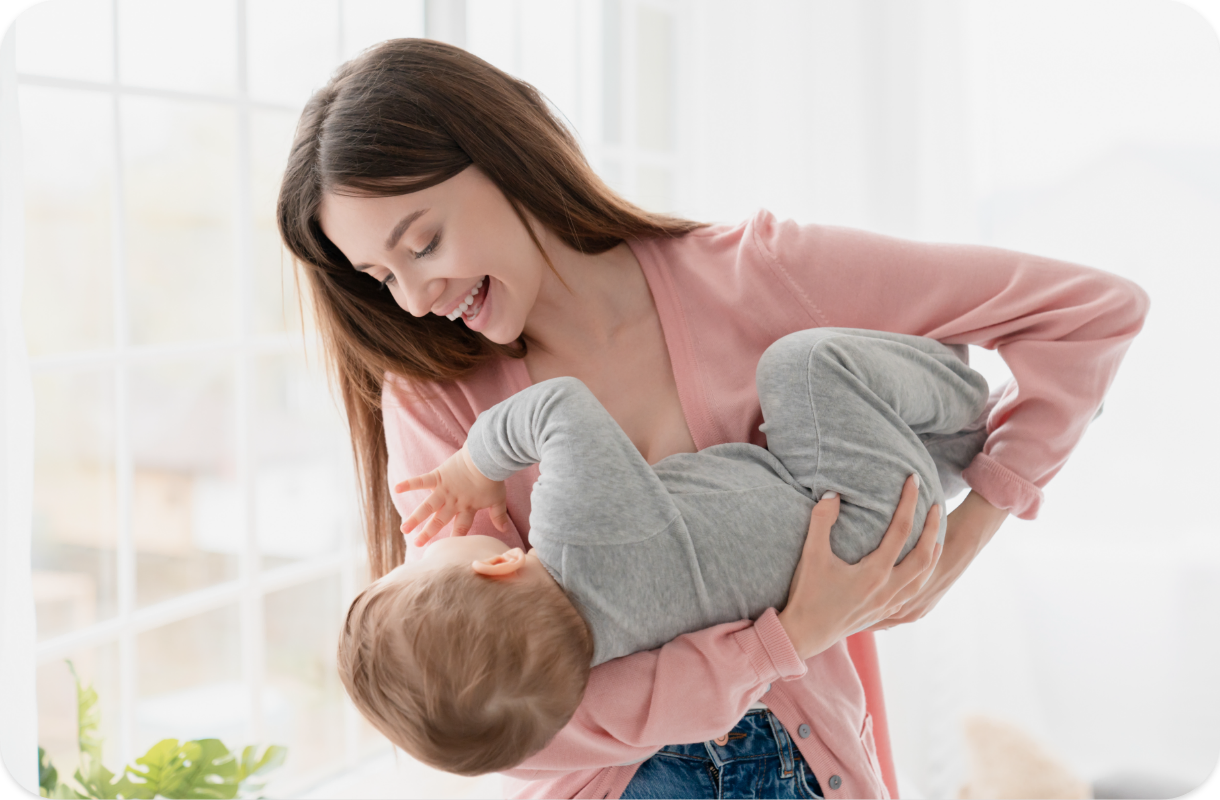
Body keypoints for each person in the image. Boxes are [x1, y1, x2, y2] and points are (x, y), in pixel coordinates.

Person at [277, 38, 1149, 800]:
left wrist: (966, 537)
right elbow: (505, 721)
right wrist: (784, 639)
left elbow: (1087, 313)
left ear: (504, 156)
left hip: (811, 761)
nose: (418, 298)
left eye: (422, 242)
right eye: (381, 277)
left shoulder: (759, 276)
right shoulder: (436, 399)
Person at [338, 327, 994, 777]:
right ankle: (978, 409)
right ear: (498, 563)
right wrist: (473, 463)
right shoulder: (579, 530)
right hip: (856, 511)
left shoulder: (609, 661)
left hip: (871, 546)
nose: (423, 548)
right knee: (800, 366)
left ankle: (952, 448)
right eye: (420, 561)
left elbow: (709, 699)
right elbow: (558, 406)